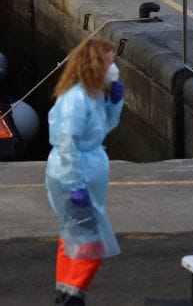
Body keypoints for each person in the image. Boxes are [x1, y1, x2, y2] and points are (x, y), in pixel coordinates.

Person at [45, 38, 124, 305]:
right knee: (91, 242)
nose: (114, 69)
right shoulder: (76, 100)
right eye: (110, 63)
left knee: (73, 235)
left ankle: (66, 292)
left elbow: (104, 128)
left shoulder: (92, 95)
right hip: (75, 177)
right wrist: (74, 183)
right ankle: (72, 295)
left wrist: (115, 102)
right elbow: (67, 143)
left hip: (84, 174)